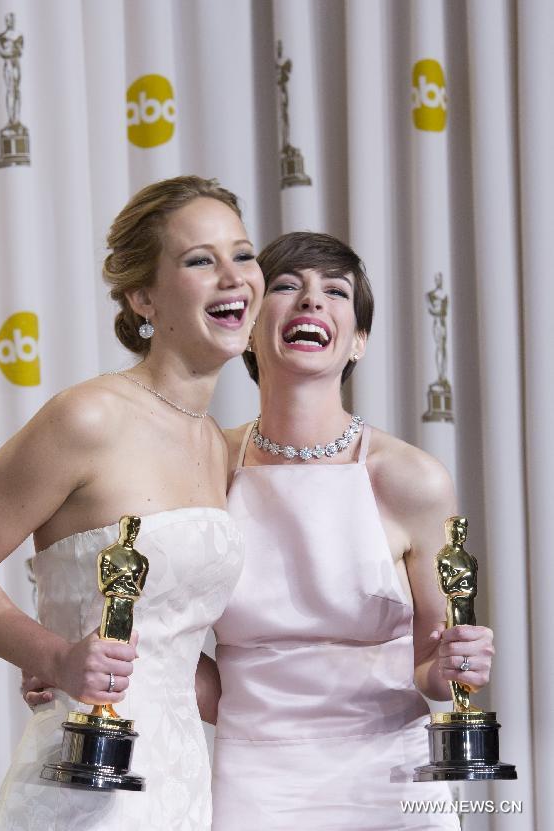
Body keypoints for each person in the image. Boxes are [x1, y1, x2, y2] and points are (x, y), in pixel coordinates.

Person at [0, 175, 263, 829]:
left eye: (243, 254)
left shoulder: (221, 448)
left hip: (185, 782)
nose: (233, 277)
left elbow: (173, 647)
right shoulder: (88, 417)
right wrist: (52, 657)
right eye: (200, 259)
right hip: (85, 784)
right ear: (142, 296)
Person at [203, 231, 493, 830]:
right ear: (252, 327)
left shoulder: (413, 479)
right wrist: (68, 663)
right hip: (255, 778)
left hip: (389, 772)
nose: (312, 301)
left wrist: (451, 669)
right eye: (286, 286)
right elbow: (164, 632)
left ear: (357, 341)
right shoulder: (206, 464)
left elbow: (431, 669)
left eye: (335, 292)